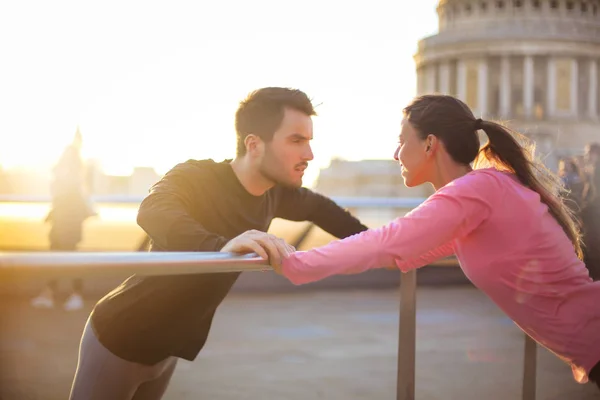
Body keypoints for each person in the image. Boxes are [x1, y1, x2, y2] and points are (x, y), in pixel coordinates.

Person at [276, 94, 600, 390]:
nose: (395, 153)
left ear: (430, 144)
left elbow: (387, 242)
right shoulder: (486, 189)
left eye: (402, 141)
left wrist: (294, 263)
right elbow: (403, 252)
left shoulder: (475, 191)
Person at [68, 87, 369, 400]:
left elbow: (325, 211)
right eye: (296, 140)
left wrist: (382, 247)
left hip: (167, 349)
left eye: (309, 141)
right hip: (120, 338)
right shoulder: (197, 177)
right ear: (254, 144)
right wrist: (222, 246)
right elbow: (154, 210)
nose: (308, 154)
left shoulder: (275, 192)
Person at [31, 133, 95, 311]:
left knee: (69, 259)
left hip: (69, 224)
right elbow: (60, 199)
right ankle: (51, 293)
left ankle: (75, 295)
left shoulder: (73, 178)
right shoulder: (65, 177)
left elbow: (74, 199)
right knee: (56, 259)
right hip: (60, 223)